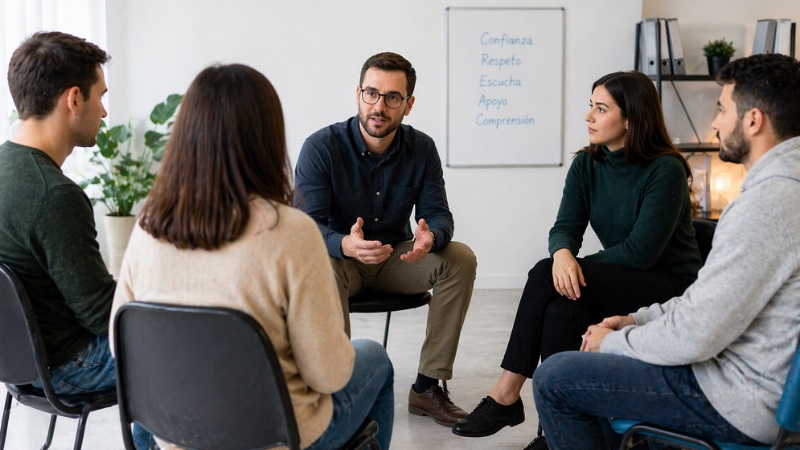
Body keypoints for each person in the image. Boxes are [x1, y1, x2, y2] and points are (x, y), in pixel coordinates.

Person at [109, 63, 394, 450]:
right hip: (276, 436)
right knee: (375, 358)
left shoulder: (148, 227)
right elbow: (328, 375)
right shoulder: (291, 232)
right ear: (267, 139)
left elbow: (121, 347)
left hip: (178, 433)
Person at [533, 53, 800, 450]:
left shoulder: (764, 207)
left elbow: (697, 335)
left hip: (739, 398)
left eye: (722, 110)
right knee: (563, 313)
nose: (714, 123)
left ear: (753, 120)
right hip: (752, 382)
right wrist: (635, 319)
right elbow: (706, 305)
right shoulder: (784, 189)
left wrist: (614, 342)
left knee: (554, 379)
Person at [453, 70, 702, 445]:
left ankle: (506, 394)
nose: (588, 116)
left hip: (669, 286)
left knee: (544, 274)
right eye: (591, 106)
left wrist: (572, 265)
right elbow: (565, 227)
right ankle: (554, 432)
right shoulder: (588, 164)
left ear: (631, 119)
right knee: (559, 311)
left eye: (601, 109)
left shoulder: (665, 169)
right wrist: (563, 254)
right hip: (621, 279)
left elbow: (640, 252)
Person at [294, 51, 477, 427]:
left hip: (398, 259)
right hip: (342, 262)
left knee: (460, 258)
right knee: (320, 266)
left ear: (408, 104)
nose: (379, 106)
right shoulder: (321, 147)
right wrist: (345, 244)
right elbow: (305, 228)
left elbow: (439, 215)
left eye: (393, 97)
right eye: (371, 93)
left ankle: (426, 387)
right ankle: (340, 388)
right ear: (357, 94)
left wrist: (431, 238)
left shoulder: (422, 148)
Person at [0, 31, 155, 450]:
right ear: (73, 99)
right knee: (181, 342)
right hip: (66, 365)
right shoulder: (53, 195)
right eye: (100, 96)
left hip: (16, 362)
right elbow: (103, 317)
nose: (104, 111)